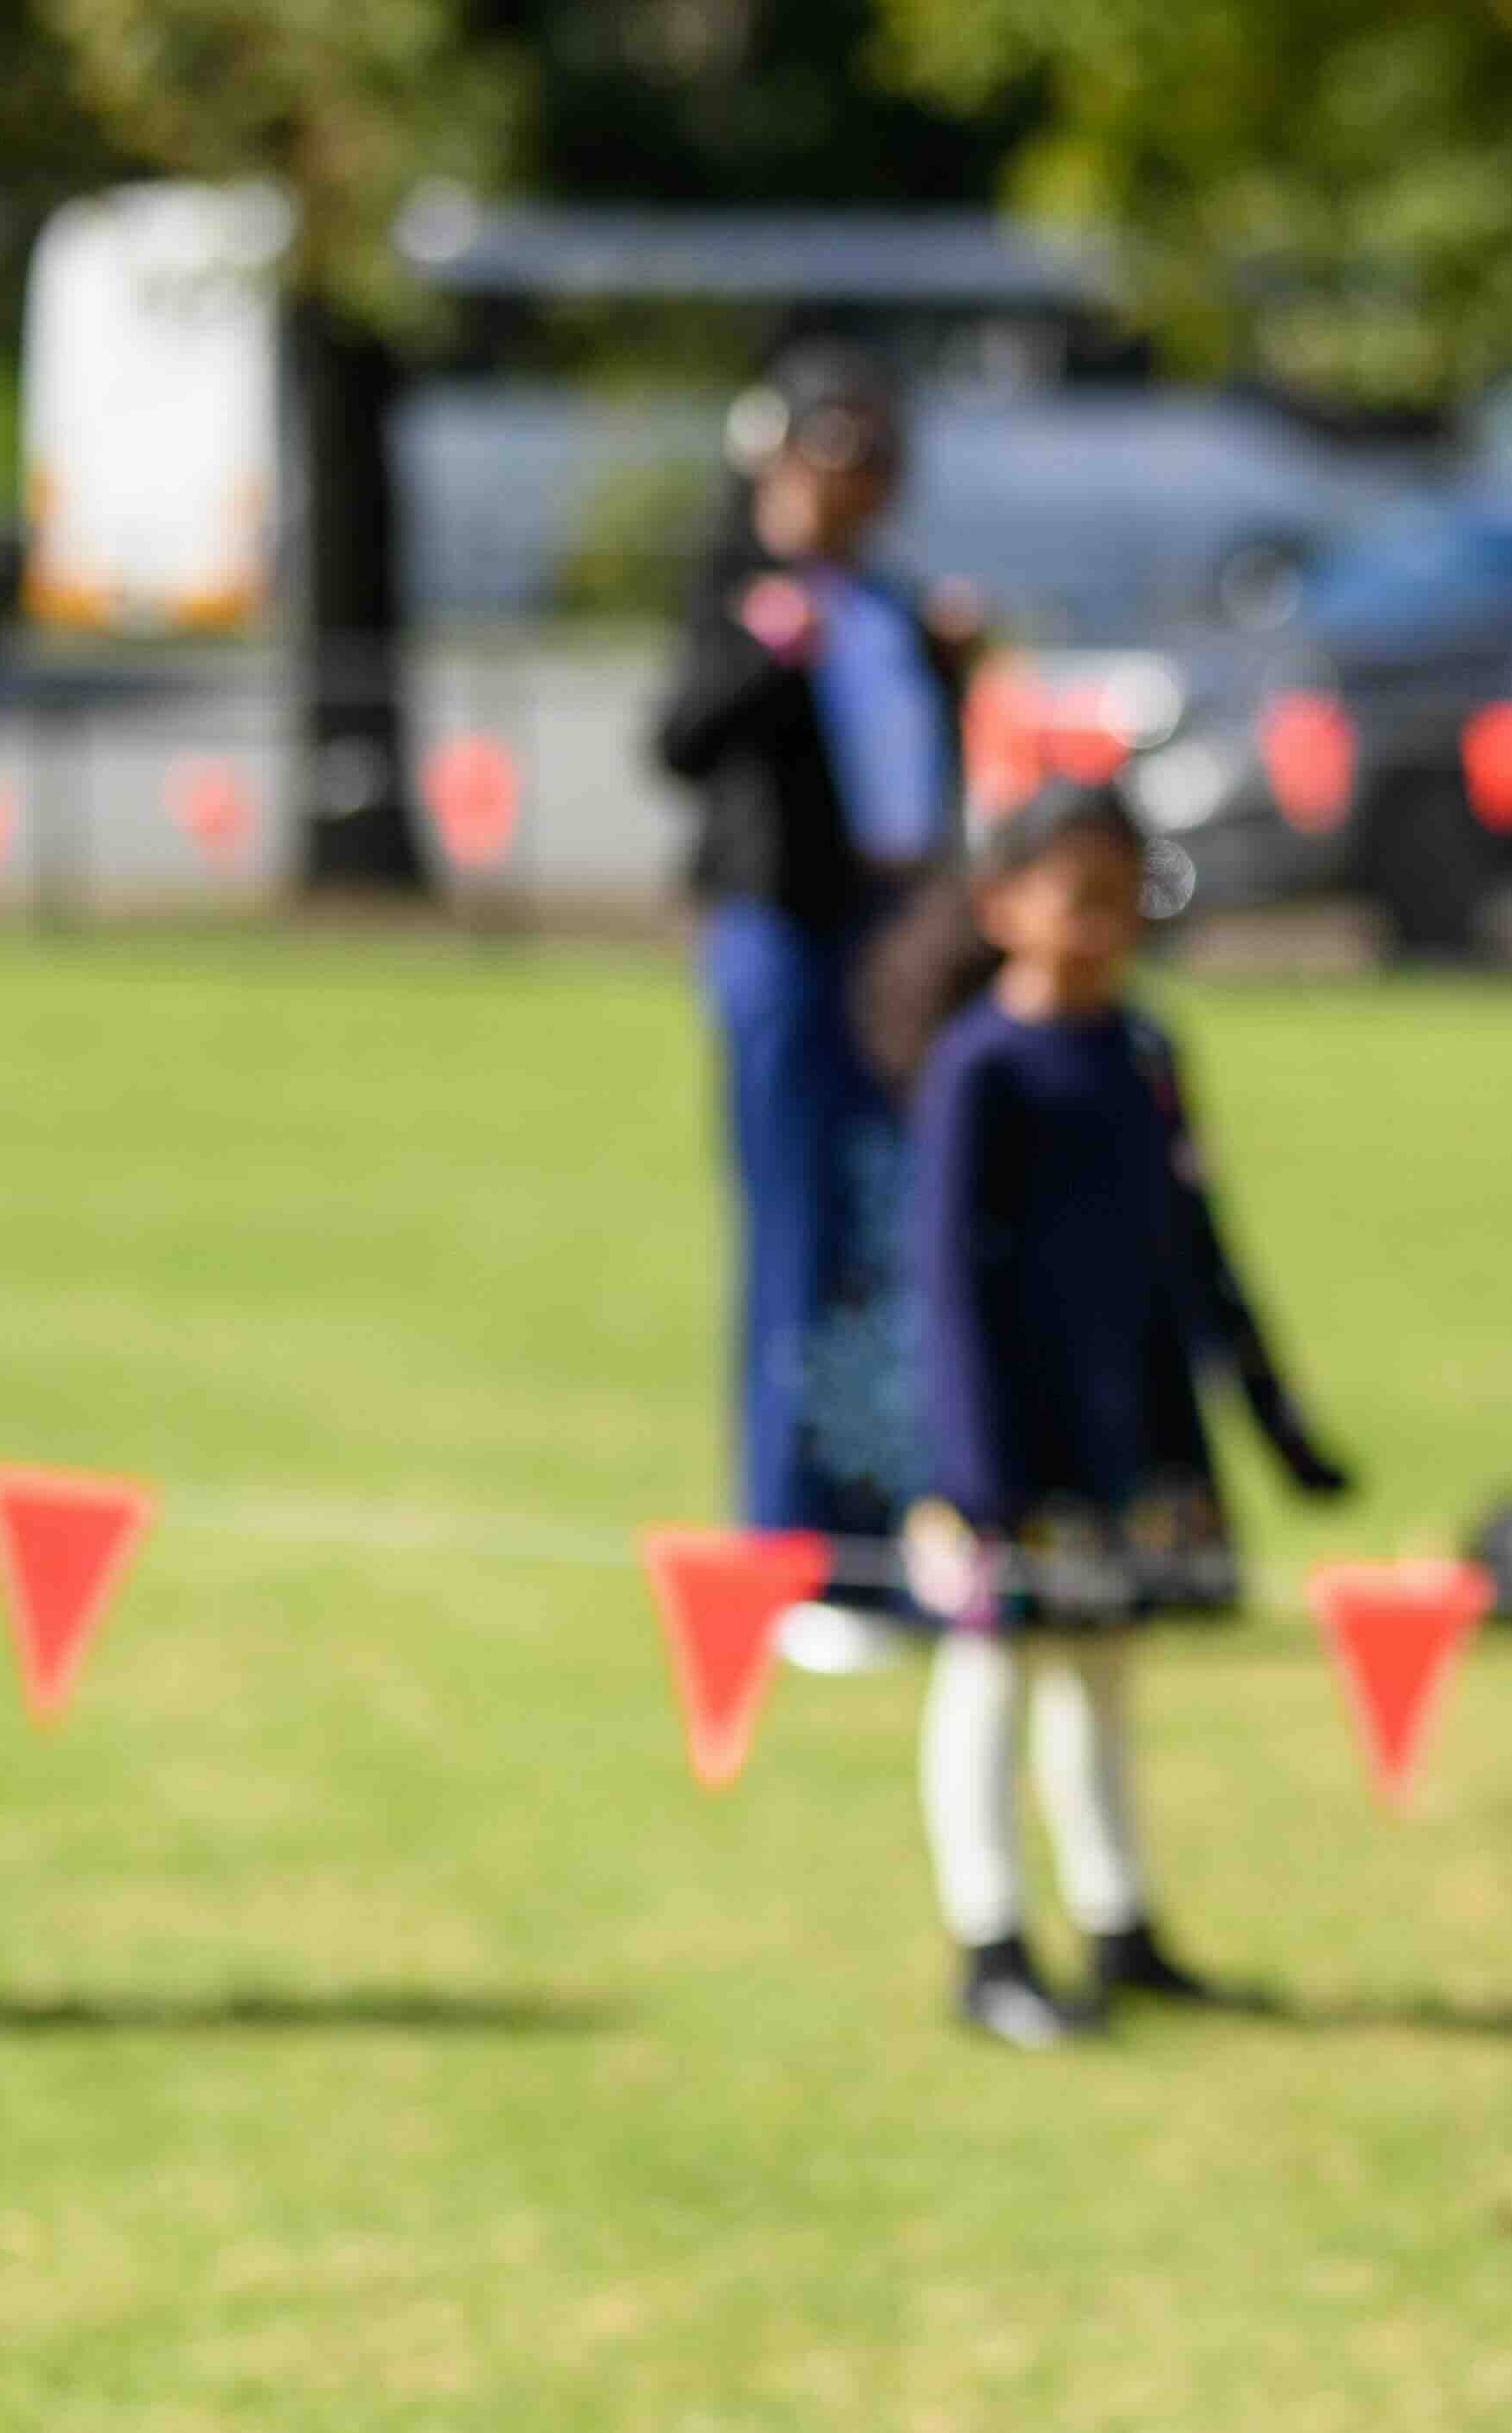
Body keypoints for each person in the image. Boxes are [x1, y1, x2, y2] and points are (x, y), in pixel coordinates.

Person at [890, 781, 1353, 2047]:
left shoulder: (1146, 1054)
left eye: (1122, 898)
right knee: (993, 1670)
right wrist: (972, 1474)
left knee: (1105, 1673)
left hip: (1127, 1427)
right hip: (1011, 1441)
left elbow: (1196, 1247)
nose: (1102, 925)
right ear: (1002, 907)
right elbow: (944, 1286)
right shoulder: (978, 1069)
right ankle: (988, 1941)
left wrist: (1274, 1420)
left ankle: (1121, 1923)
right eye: (1074, 897)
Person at [653, 338, 972, 1669]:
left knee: (894, 1236)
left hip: (897, 936)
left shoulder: (894, 603)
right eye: (831, 455)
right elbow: (676, 744)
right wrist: (767, 644)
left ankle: (891, 1534)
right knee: (797, 1238)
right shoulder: (741, 597)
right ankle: (792, 1558)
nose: (856, 483)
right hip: (786, 940)